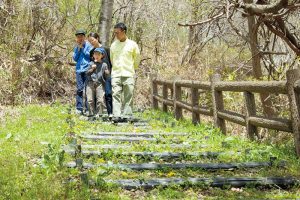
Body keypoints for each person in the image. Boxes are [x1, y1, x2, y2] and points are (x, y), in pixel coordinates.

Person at [110, 23, 140, 122]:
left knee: (128, 96)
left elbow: (136, 59)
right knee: (116, 95)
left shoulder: (132, 44)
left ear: (124, 32)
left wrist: (132, 69)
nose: (116, 35)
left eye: (117, 33)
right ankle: (116, 115)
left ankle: (127, 115)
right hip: (116, 74)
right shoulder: (113, 45)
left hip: (128, 74)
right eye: (115, 33)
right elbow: (112, 59)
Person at [88, 32, 113, 117]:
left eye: (92, 40)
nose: (91, 42)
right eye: (89, 41)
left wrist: (109, 72)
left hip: (106, 75)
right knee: (96, 95)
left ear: (97, 38)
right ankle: (97, 113)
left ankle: (110, 113)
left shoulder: (106, 49)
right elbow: (91, 63)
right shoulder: (91, 51)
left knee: (108, 93)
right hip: (96, 76)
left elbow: (110, 61)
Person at [85, 48, 110, 117]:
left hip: (100, 83)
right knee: (90, 99)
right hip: (90, 83)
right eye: (95, 54)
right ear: (93, 55)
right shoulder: (91, 63)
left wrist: (107, 72)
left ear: (102, 55)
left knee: (100, 100)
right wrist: (92, 69)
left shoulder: (104, 64)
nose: (96, 56)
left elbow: (107, 75)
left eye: (98, 54)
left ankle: (99, 115)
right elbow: (87, 73)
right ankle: (91, 114)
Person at [72, 29, 92, 114]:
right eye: (78, 37)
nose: (80, 38)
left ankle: (88, 109)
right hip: (79, 70)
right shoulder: (76, 47)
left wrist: (83, 48)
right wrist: (79, 49)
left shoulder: (89, 45)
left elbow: (90, 56)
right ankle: (79, 108)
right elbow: (75, 58)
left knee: (88, 89)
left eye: (81, 36)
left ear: (84, 37)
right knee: (79, 89)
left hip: (87, 69)